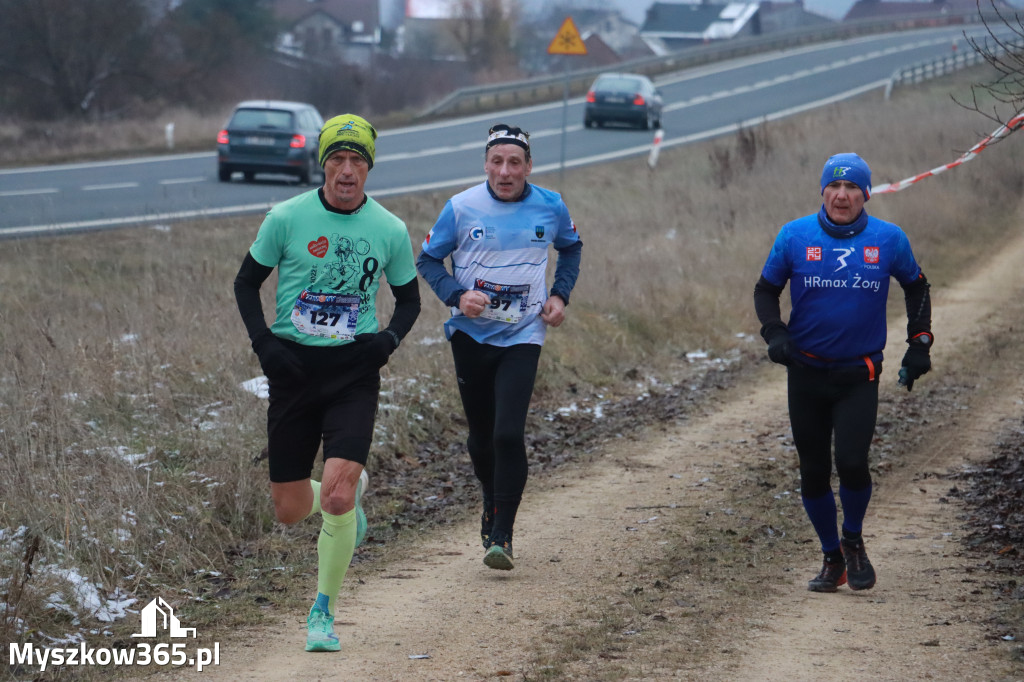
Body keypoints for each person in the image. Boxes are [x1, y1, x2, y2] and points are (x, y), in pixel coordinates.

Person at [233, 114, 420, 651]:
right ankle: (350, 496)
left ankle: (323, 614)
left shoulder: (388, 229)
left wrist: (386, 342)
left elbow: (409, 300)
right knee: (290, 509)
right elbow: (247, 284)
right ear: (323, 165)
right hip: (291, 369)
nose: (346, 171)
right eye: (336, 160)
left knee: (333, 500)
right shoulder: (286, 218)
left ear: (368, 169)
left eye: (356, 161)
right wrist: (265, 344)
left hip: (352, 372)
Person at [753, 153, 932, 593]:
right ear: (823, 192)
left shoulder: (888, 240)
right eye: (834, 187)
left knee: (851, 463)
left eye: (852, 187)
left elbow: (917, 286)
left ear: (866, 194)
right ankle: (832, 556)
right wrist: (775, 332)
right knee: (813, 471)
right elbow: (765, 289)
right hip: (807, 374)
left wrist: (920, 342)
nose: (842, 195)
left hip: (859, 374)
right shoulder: (795, 236)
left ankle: (853, 538)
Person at [416, 123, 583, 571]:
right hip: (471, 336)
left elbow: (571, 248)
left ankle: (503, 536)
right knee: (481, 438)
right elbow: (428, 259)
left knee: (508, 433)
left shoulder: (550, 206)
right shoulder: (461, 207)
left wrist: (559, 295)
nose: (505, 172)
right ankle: (490, 498)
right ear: (486, 164)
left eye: (514, 163)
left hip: (523, 334)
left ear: (529, 166)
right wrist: (457, 296)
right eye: (497, 162)